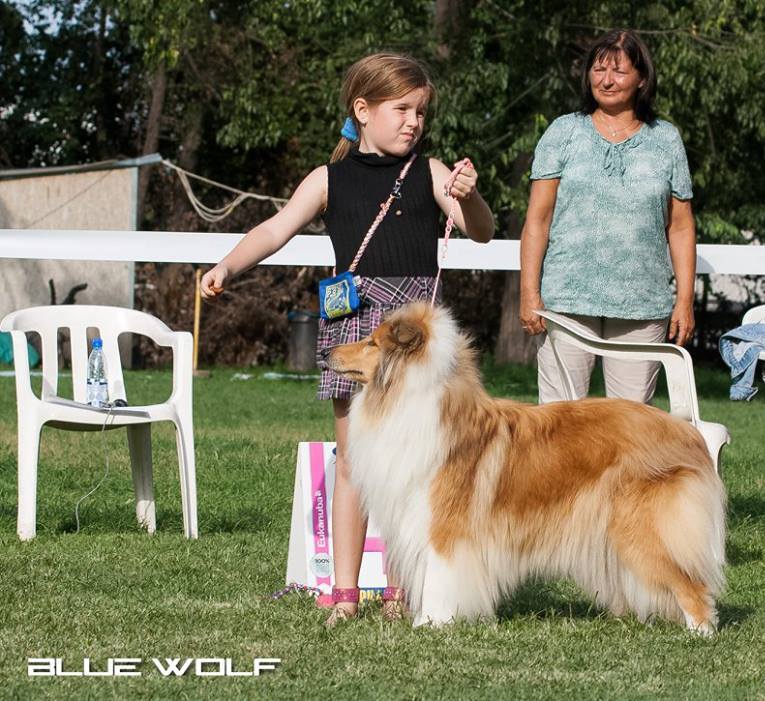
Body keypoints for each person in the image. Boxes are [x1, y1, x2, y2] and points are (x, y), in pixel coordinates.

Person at [201, 53, 495, 621]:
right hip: (358, 329)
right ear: (362, 110)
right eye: (401, 109)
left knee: (418, 462)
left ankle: (401, 587)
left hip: (415, 338)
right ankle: (343, 592)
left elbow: (479, 232)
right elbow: (275, 228)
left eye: (420, 112)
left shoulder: (432, 172)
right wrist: (227, 266)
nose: (414, 122)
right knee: (355, 462)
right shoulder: (327, 178)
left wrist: (471, 194)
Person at [518, 28, 697, 405]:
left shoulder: (666, 139)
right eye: (598, 70)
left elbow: (679, 227)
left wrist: (684, 300)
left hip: (642, 305)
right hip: (566, 301)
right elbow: (537, 221)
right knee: (559, 425)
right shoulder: (563, 132)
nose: (606, 80)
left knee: (629, 428)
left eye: (618, 71)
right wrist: (529, 293)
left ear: (642, 79)